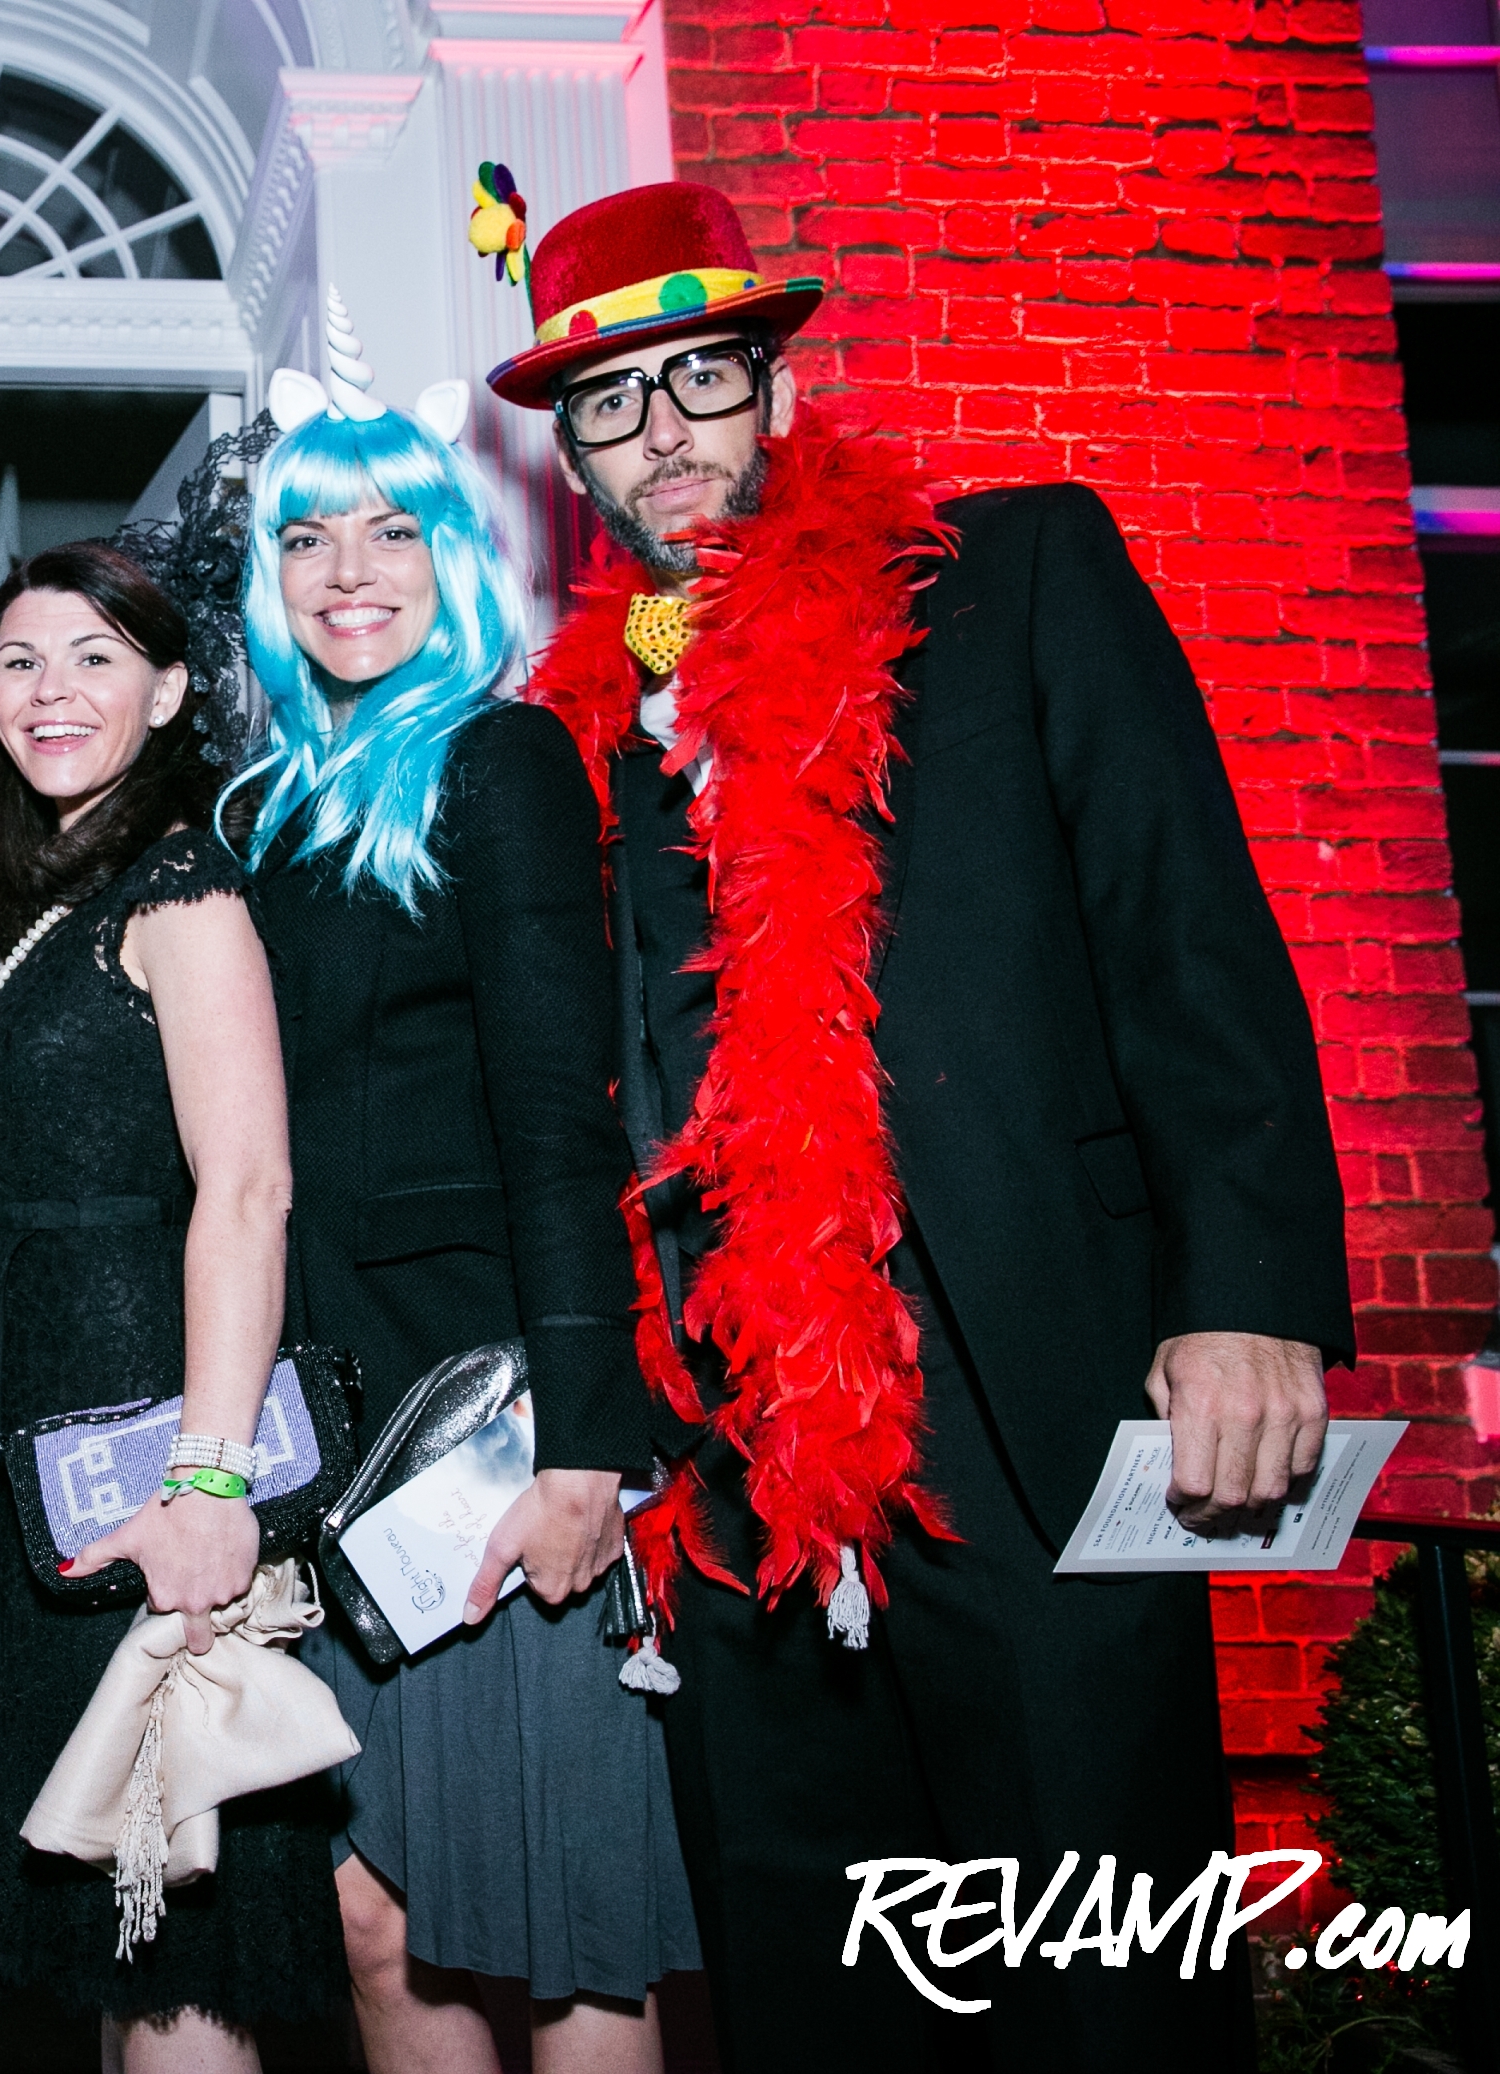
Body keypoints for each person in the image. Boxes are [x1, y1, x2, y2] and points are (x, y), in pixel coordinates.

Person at [493, 181, 1353, 2070]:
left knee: (1100, 1984)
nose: (662, 433)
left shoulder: (1008, 574)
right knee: (818, 1990)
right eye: (610, 403)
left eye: (697, 376)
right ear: (574, 460)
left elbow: (1184, 931)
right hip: (732, 1454)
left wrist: (1247, 1288)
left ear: (776, 387)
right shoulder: (570, 736)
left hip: (1022, 1386)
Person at [223, 295, 698, 2073]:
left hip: (486, 1426)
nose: (349, 574)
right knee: (370, 1910)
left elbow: (559, 1114)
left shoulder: (500, 759)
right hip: (315, 1434)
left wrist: (587, 1438)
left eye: (391, 531)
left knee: (566, 1920)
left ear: (453, 556)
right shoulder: (259, 809)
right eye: (307, 539)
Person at [0, 540, 340, 2072]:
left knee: (172, 1928)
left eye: (94, 656)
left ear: (166, 691)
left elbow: (248, 1188)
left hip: (146, 1442)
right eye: (20, 660)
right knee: (103, 1923)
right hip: (47, 1437)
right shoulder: (53, 897)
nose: (50, 690)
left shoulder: (181, 890)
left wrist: (210, 1481)